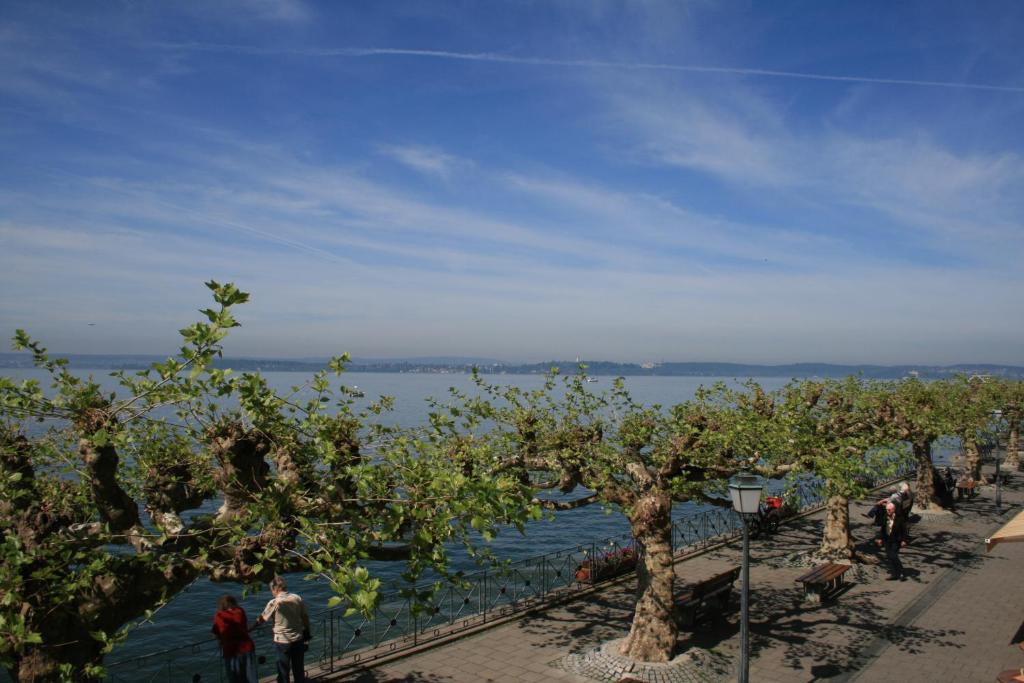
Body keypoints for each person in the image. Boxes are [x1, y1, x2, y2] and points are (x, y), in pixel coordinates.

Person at [254, 576, 311, 683]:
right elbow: (305, 617)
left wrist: (250, 628)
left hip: (282, 642)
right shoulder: (297, 598)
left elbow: (262, 619)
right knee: (298, 670)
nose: (272, 593)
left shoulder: (274, 603)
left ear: (276, 589)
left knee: (283, 671)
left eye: (272, 590)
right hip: (298, 639)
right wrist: (307, 631)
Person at [211, 595, 257, 683]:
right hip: (247, 648)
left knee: (234, 678)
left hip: (230, 651)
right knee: (251, 678)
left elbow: (215, 634)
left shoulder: (219, 615)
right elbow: (244, 625)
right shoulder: (240, 611)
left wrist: (221, 639)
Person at [876, 502, 907, 581]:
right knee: (889, 557)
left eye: (889, 510)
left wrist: (903, 540)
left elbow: (904, 530)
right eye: (887, 510)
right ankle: (894, 574)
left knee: (893, 555)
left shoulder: (899, 518)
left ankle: (901, 572)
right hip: (887, 539)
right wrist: (880, 538)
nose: (888, 511)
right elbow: (882, 528)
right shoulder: (885, 516)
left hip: (896, 540)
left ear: (893, 509)